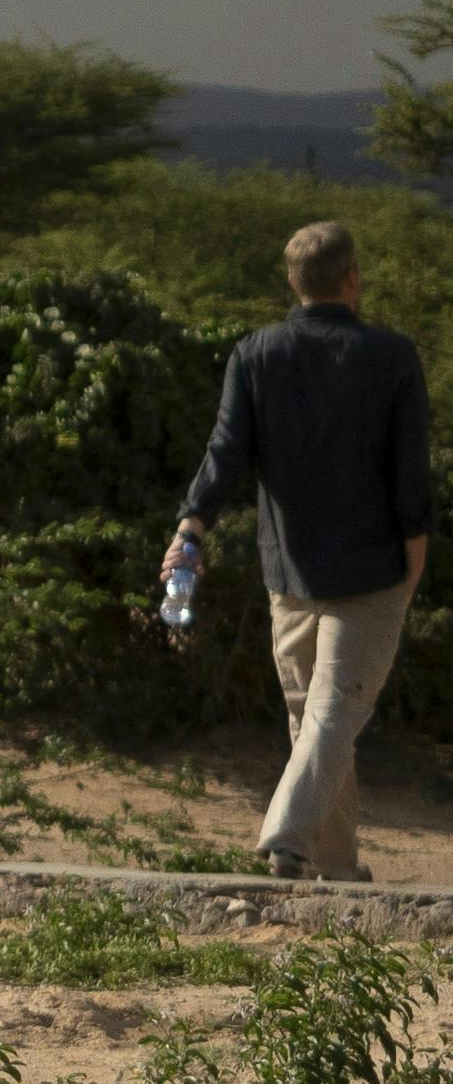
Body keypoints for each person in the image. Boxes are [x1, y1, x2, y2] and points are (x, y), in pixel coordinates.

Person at [171, 219, 433, 883]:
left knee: (315, 718)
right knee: (333, 713)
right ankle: (289, 837)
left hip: (287, 569)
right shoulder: (393, 356)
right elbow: (410, 473)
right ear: (351, 278)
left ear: (294, 283)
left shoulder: (255, 354)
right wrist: (416, 556)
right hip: (373, 571)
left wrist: (191, 527)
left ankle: (337, 871)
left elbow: (224, 453)